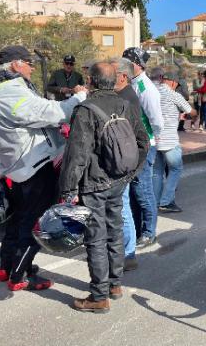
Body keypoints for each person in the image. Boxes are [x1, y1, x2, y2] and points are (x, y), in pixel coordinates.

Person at [0, 45, 87, 291]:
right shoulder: (12, 92)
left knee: (19, 217)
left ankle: (6, 265)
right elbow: (53, 113)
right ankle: (20, 274)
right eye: (28, 62)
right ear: (15, 65)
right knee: (36, 222)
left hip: (15, 167)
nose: (33, 67)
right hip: (36, 165)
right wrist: (79, 97)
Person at [59, 62, 148, 313]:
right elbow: (143, 142)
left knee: (95, 238)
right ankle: (115, 285)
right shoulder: (126, 105)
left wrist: (67, 191)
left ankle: (99, 296)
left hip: (94, 184)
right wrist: (131, 173)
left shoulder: (85, 109)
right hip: (118, 181)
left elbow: (77, 155)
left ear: (91, 81)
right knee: (115, 230)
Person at [122, 47, 164, 248]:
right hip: (132, 143)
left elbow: (156, 121)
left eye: (126, 62)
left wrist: (153, 141)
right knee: (132, 191)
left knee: (143, 190)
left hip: (145, 144)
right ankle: (137, 229)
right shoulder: (131, 84)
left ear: (137, 65)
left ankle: (148, 232)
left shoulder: (146, 89)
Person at [111, 57, 143, 271]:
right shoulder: (123, 94)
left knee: (122, 207)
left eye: (112, 73)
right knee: (121, 206)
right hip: (122, 158)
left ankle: (129, 253)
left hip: (123, 160)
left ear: (122, 76)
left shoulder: (127, 98)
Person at [150, 68, 195, 212]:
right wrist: (192, 114)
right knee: (175, 169)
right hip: (169, 140)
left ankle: (155, 202)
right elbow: (191, 111)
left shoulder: (152, 92)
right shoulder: (174, 95)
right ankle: (166, 201)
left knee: (157, 172)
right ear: (174, 82)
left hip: (154, 140)